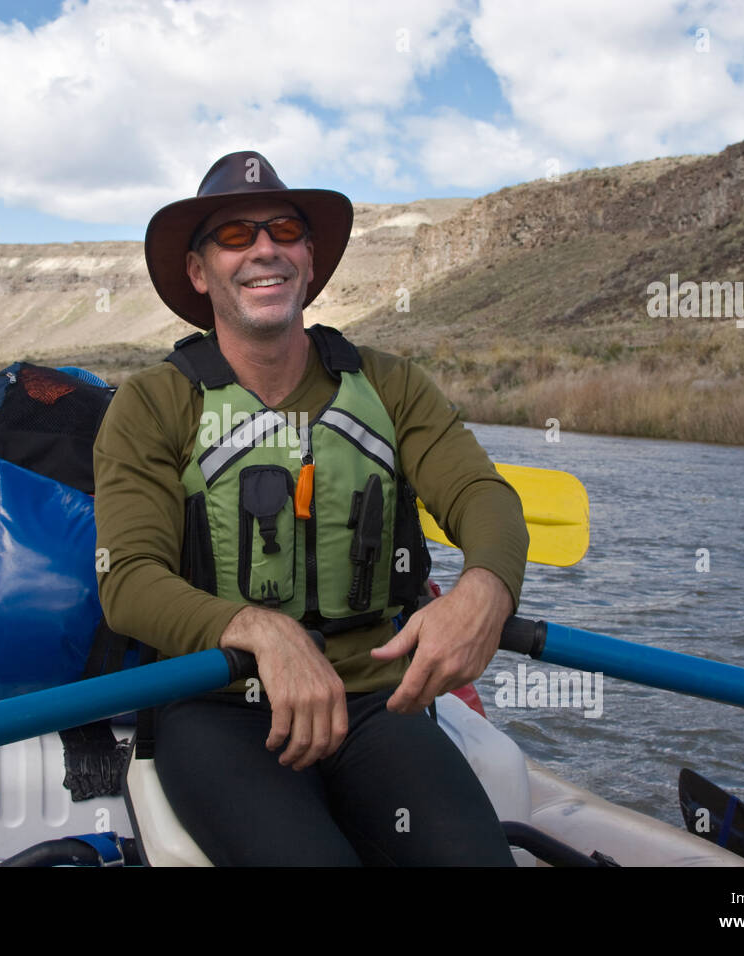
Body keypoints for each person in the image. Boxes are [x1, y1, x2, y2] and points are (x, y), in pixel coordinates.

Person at [93, 151, 528, 866]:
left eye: (284, 230)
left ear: (309, 257)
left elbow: (482, 495)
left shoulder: (390, 385)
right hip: (218, 705)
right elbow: (128, 579)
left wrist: (486, 588)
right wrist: (260, 632)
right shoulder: (153, 403)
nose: (264, 248)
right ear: (201, 273)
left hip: (375, 705)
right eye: (235, 236)